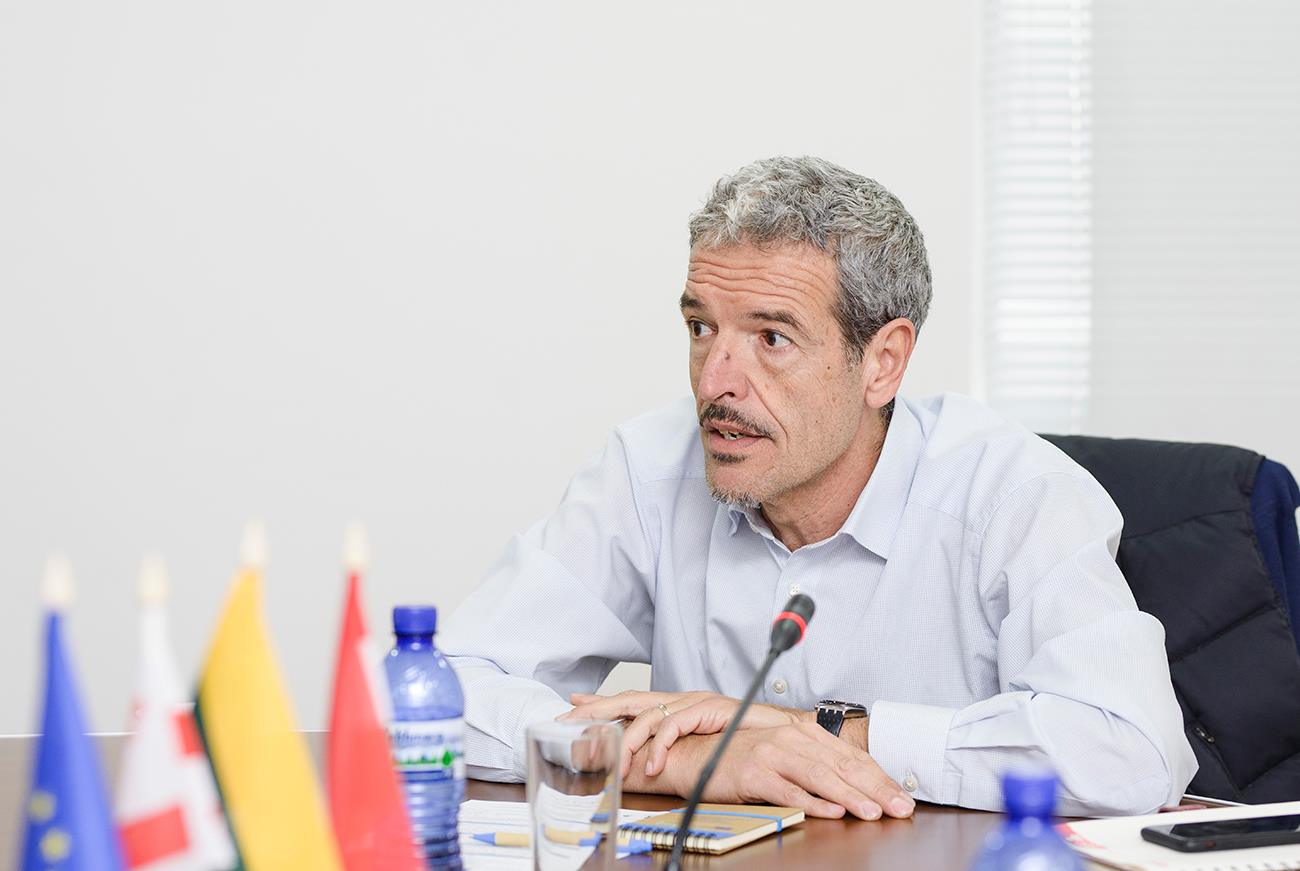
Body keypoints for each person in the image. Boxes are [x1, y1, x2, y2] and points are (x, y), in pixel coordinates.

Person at [439, 156, 1197, 819]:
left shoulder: (1014, 492)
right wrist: (682, 761)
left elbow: (1133, 747)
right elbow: (439, 691)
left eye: (771, 338)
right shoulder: (649, 470)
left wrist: (815, 732)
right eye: (702, 328)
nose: (716, 381)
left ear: (883, 362)